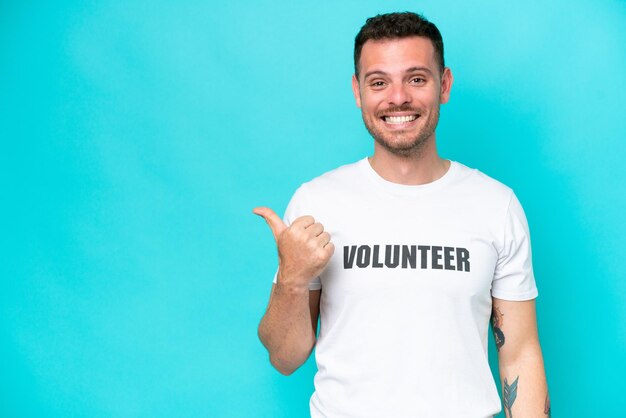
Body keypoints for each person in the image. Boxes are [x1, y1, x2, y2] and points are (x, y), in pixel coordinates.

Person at [255, 11, 550, 418]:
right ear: (358, 91)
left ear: (443, 85)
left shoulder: (496, 205)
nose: (397, 98)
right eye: (379, 82)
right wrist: (291, 277)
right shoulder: (316, 202)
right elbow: (284, 359)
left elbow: (519, 355)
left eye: (416, 78)